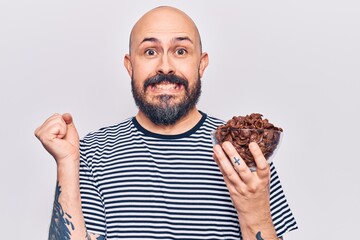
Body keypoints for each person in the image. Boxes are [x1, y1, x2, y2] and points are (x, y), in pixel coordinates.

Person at [35, 6, 297, 240]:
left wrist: (255, 211)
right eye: (150, 51)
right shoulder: (91, 152)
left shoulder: (241, 149)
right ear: (130, 66)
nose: (165, 66)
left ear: (201, 64)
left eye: (180, 51)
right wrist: (67, 164)